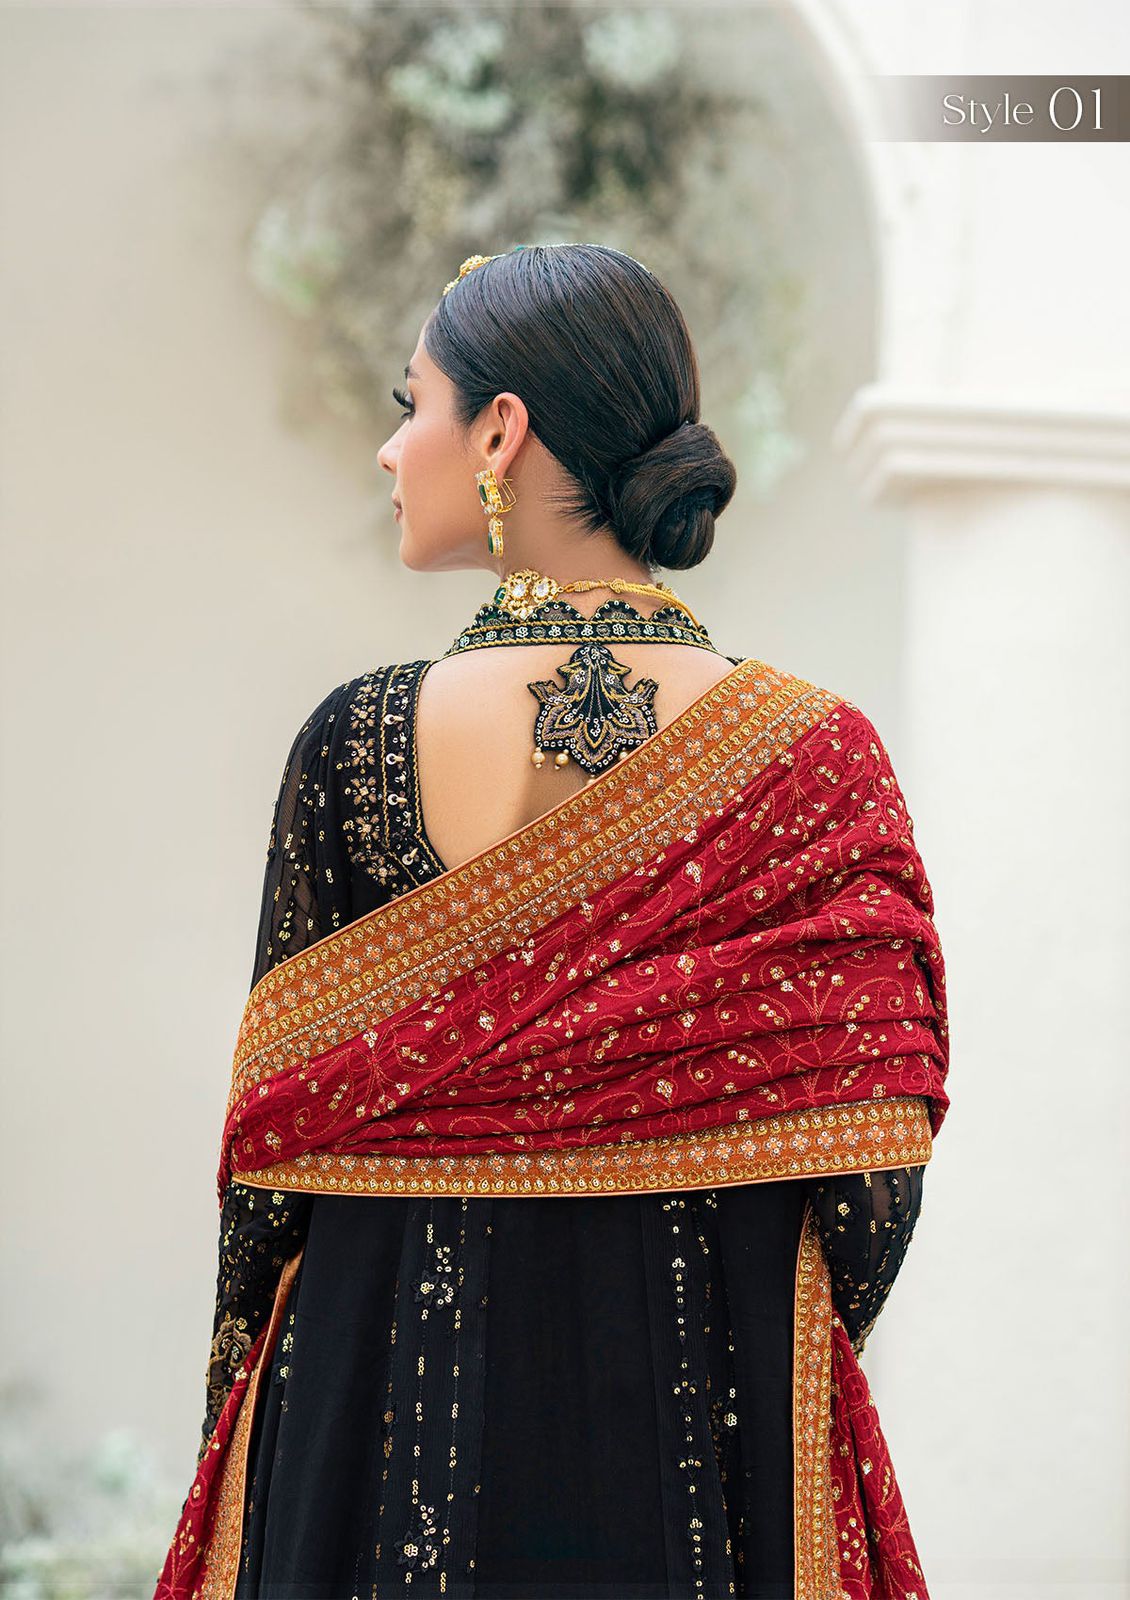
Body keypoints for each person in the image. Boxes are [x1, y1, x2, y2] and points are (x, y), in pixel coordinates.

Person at [154, 244, 949, 1600]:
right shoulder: (820, 763)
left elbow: (267, 1181)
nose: (390, 449)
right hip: (701, 1422)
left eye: (413, 403)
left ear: (500, 432)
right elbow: (872, 1184)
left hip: (374, 1406)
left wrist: (257, 1375)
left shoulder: (353, 744)